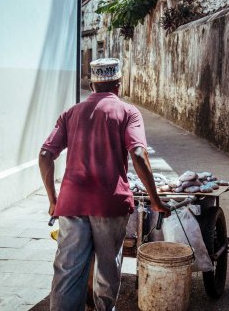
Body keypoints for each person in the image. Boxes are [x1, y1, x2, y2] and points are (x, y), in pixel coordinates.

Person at [39, 58, 170, 311]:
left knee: (67, 270)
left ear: (92, 83)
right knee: (107, 268)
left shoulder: (70, 113)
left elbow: (45, 155)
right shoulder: (128, 112)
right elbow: (139, 155)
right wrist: (154, 199)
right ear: (119, 85)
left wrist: (53, 200)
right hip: (110, 204)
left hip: (72, 203)